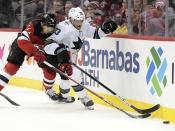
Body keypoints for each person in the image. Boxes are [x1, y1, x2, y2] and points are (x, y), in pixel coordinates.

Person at [42, 7, 117, 110]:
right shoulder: (63, 28)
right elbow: (48, 43)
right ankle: (83, 97)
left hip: (70, 55)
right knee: (74, 75)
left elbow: (95, 34)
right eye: (77, 20)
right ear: (71, 19)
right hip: (57, 55)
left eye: (81, 20)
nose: (79, 23)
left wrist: (104, 29)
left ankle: (63, 96)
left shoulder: (84, 25)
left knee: (67, 79)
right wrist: (59, 50)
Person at [0, 13, 56, 93]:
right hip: (22, 45)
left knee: (50, 70)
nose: (49, 30)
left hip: (39, 49)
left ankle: (48, 90)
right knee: (12, 67)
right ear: (42, 23)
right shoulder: (34, 25)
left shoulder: (52, 32)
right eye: (47, 27)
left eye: (51, 28)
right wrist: (35, 51)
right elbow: (22, 40)